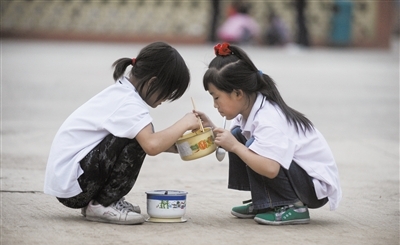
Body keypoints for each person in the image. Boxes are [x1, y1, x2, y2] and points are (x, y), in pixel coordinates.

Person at [44, 42, 200, 225]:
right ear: (153, 82)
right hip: (75, 186)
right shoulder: (128, 103)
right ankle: (103, 204)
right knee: (140, 139)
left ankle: (101, 202)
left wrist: (198, 144)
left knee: (141, 136)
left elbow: (156, 142)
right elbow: (151, 145)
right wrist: (185, 122)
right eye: (166, 94)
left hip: (73, 182)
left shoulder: (123, 94)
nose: (165, 100)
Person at [196, 43, 341, 225]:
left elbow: (271, 168)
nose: (214, 105)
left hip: (312, 187)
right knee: (237, 135)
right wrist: (213, 129)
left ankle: (293, 206)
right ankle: (265, 202)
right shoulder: (249, 110)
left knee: (245, 145)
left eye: (216, 97)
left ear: (238, 93)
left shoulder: (268, 118)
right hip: (298, 175)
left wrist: (234, 146)